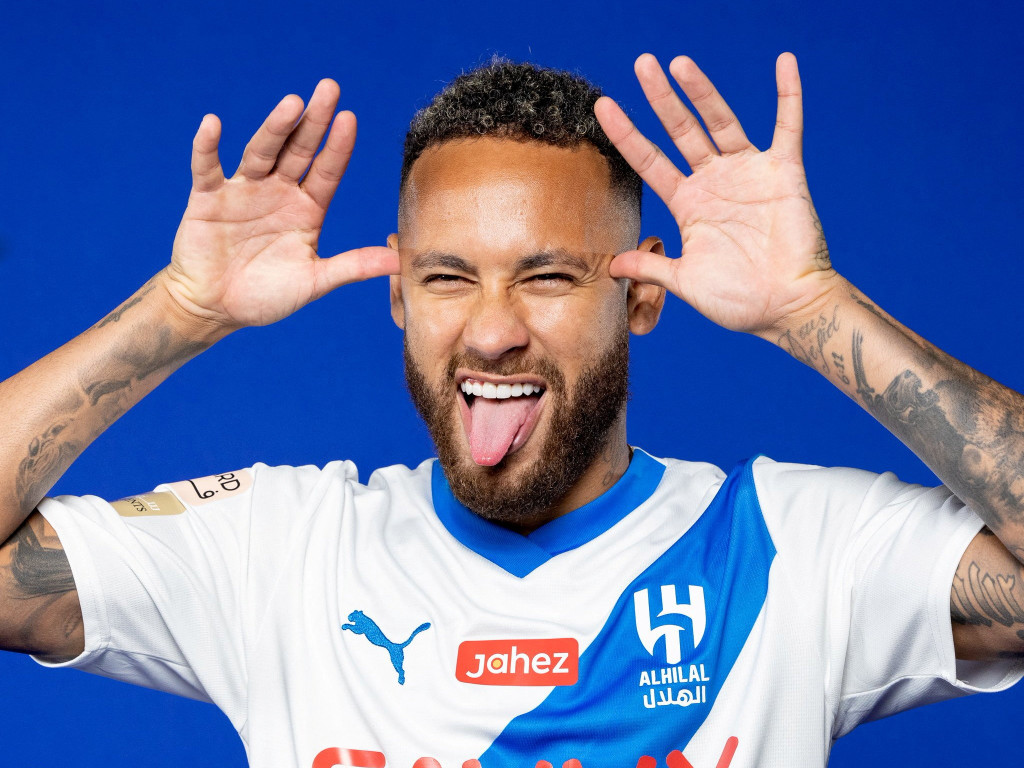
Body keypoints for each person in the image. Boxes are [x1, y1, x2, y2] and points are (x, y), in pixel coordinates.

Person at [0, 52, 1021, 768]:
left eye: (547, 277)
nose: (492, 334)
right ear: (398, 298)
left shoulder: (793, 550)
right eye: (447, 278)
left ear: (643, 293)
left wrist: (811, 308)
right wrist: (178, 312)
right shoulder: (281, 549)